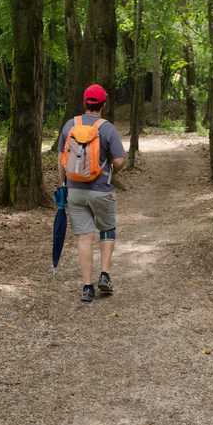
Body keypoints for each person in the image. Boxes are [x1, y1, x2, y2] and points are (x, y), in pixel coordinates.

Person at [57, 84, 126, 302]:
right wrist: (112, 173)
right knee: (107, 228)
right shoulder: (107, 128)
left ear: (84, 103)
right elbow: (119, 160)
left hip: (74, 191)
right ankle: (104, 275)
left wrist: (63, 184)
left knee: (84, 237)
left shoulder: (70, 125)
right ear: (103, 105)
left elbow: (61, 159)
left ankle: (87, 287)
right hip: (101, 190)